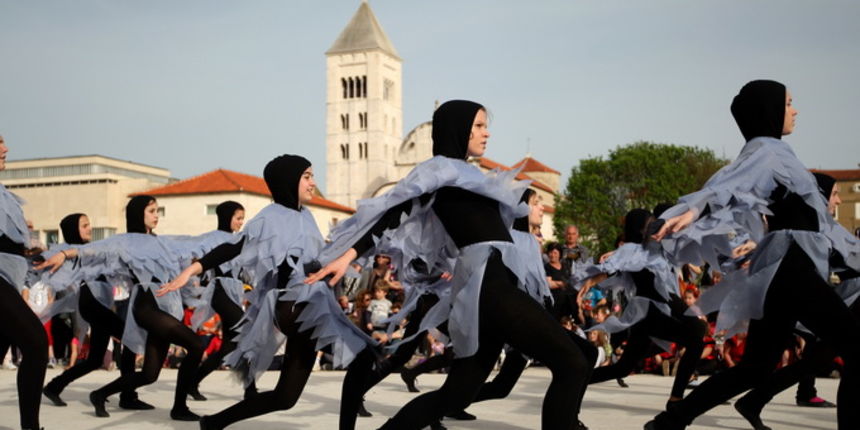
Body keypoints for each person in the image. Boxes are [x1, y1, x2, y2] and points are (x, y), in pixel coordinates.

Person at [308, 100, 590, 430]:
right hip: (488, 286)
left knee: (456, 395)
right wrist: (348, 254)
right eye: (480, 125)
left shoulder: (473, 173)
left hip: (494, 283)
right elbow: (394, 212)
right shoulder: (438, 170)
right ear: (459, 128)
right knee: (573, 363)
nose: (487, 133)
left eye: (486, 125)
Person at [646, 80, 860, 430]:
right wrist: (696, 208)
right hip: (791, 265)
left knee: (756, 367)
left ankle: (668, 423)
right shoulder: (768, 152)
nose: (796, 110)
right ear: (771, 110)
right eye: (789, 103)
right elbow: (729, 184)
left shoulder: (767, 151)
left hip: (782, 268)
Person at [158, 155, 375, 430]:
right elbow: (233, 247)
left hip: (310, 304)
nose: (313, 183)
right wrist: (192, 271)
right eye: (307, 176)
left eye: (312, 176)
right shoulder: (270, 217)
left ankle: (213, 422)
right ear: (289, 180)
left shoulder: (306, 216)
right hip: (295, 305)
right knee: (364, 356)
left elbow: (312, 260)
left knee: (285, 398)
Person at [37, 195, 208, 421]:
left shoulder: (161, 242)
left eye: (158, 211)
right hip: (146, 306)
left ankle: (100, 394)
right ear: (139, 214)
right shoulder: (123, 241)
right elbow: (91, 250)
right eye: (152, 211)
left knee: (149, 375)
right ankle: (178, 408)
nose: (157, 215)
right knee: (195, 345)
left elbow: (191, 244)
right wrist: (63, 253)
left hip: (163, 306)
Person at [575, 209, 706, 410]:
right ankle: (676, 399)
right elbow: (610, 267)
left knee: (623, 368)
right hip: (651, 313)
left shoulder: (658, 245)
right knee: (696, 334)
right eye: (650, 222)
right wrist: (591, 280)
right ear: (639, 228)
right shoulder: (630, 250)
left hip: (650, 316)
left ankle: (573, 382)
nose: (656, 224)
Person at [41, 213, 150, 410]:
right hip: (92, 302)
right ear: (74, 229)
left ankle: (54, 386)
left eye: (89, 224)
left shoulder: (91, 250)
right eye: (84, 225)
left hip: (98, 302)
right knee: (131, 339)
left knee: (95, 359)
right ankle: (127, 395)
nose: (89, 228)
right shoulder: (73, 252)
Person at [0, 134, 49, 430]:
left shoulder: (6, 194)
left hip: (11, 276)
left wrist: (34, 253)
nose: (6, 149)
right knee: (36, 342)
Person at [182, 201, 253, 400]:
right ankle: (251, 389)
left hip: (234, 292)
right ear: (227, 217)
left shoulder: (239, 239)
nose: (241, 222)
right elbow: (195, 258)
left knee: (228, 347)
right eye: (238, 218)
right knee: (246, 331)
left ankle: (193, 382)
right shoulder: (210, 239)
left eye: (242, 219)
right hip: (219, 290)